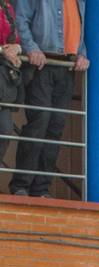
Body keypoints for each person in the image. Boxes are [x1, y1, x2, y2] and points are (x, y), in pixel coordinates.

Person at [9, 0, 87, 197]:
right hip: (41, 65)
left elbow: (79, 31)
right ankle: (21, 185)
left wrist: (81, 54)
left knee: (55, 127)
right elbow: (20, 20)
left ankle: (41, 189)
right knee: (39, 122)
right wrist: (31, 48)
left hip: (66, 68)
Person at [1, 0, 23, 169]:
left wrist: (17, 49)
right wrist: (3, 52)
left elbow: (16, 38)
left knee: (5, 129)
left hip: (3, 83)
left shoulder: (7, 6)